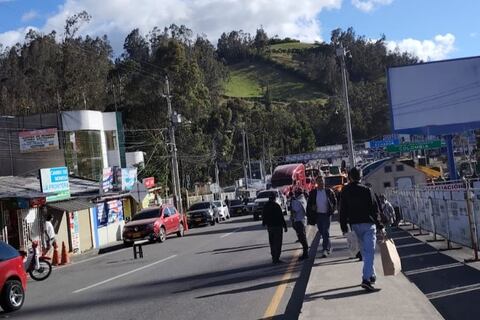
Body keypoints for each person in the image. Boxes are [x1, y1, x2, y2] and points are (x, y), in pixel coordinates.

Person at [340, 168, 384, 292]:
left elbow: (342, 210)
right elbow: (375, 211)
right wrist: (380, 225)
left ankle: (372, 275)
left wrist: (344, 227)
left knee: (365, 253)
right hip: (368, 225)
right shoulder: (367, 190)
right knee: (369, 252)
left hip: (354, 225)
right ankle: (366, 280)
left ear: (350, 177)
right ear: (361, 177)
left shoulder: (345, 190)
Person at [307, 176, 337, 258]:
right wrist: (312, 208)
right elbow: (309, 204)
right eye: (319, 181)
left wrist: (332, 211)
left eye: (322, 181)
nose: (321, 183)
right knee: (322, 232)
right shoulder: (313, 193)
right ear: (317, 183)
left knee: (325, 231)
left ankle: (325, 249)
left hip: (327, 215)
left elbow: (334, 202)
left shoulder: (328, 191)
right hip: (318, 215)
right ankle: (329, 246)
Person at [262, 194, 288, 264]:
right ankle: (277, 258)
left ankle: (274, 257)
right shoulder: (276, 206)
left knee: (272, 243)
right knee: (278, 243)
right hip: (277, 227)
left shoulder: (266, 206)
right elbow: (281, 217)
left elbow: (263, 215)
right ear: (274, 199)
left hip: (270, 227)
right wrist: (285, 226)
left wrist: (264, 223)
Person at [291, 187, 309, 260]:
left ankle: (305, 254)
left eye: (295, 193)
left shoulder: (297, 201)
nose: (295, 194)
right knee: (302, 237)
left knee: (302, 238)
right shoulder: (303, 199)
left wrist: (292, 218)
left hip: (299, 221)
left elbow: (294, 211)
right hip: (302, 221)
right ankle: (305, 253)